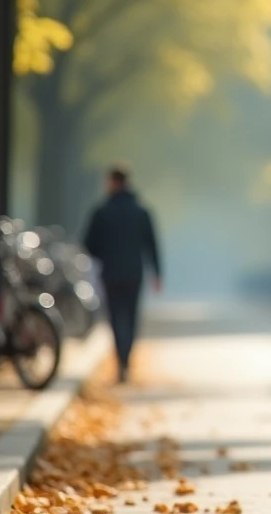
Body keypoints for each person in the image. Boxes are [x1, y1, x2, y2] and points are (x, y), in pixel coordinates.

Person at [82, 164, 162, 384]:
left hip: (111, 272)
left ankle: (121, 359)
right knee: (132, 315)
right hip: (135, 273)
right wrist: (157, 274)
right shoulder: (142, 212)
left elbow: (88, 243)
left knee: (116, 317)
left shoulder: (102, 211)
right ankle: (126, 358)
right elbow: (152, 245)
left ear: (112, 182)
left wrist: (103, 255)